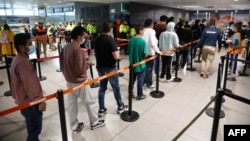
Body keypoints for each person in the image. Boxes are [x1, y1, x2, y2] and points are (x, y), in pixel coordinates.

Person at [60, 26, 105, 133]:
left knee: (72, 104)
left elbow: (62, 64)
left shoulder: (66, 47)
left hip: (69, 81)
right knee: (89, 102)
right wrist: (88, 62)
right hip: (80, 82)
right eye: (84, 36)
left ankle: (74, 125)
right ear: (79, 36)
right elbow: (80, 69)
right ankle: (94, 122)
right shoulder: (77, 49)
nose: (84, 38)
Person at [11, 33, 46, 141]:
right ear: (21, 47)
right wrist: (40, 101)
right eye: (30, 44)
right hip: (30, 103)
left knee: (31, 128)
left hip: (23, 102)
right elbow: (31, 85)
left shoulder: (16, 60)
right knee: (35, 130)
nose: (32, 46)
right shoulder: (23, 63)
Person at [94, 22, 126, 117]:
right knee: (115, 87)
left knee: (102, 88)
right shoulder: (110, 40)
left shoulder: (96, 39)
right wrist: (118, 53)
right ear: (111, 29)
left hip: (100, 67)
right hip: (110, 68)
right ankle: (120, 106)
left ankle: (101, 109)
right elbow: (116, 56)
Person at [127, 25, 147, 100]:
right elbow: (145, 54)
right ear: (140, 31)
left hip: (132, 64)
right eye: (143, 30)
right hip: (140, 65)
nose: (144, 32)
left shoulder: (131, 40)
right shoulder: (143, 41)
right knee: (140, 79)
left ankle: (130, 93)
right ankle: (140, 94)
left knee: (132, 80)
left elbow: (128, 51)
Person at [142, 19, 161, 89]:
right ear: (150, 24)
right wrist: (158, 51)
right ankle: (148, 84)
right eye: (152, 24)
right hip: (150, 53)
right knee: (149, 69)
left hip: (143, 53)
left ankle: (143, 82)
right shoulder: (152, 31)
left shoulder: (142, 30)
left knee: (143, 68)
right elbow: (153, 43)